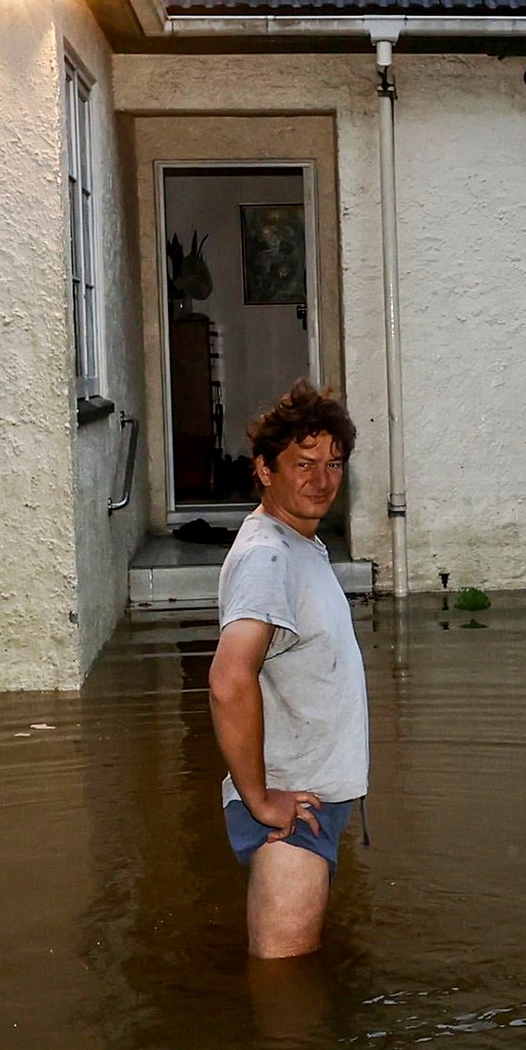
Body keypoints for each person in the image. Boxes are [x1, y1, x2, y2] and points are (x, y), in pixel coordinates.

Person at [208, 386, 369, 959]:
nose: (321, 480)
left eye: (333, 464)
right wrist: (260, 799)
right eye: (303, 464)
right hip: (291, 818)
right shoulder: (268, 556)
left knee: (289, 984)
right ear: (264, 469)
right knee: (287, 997)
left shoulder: (299, 545)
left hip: (307, 805)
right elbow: (229, 679)